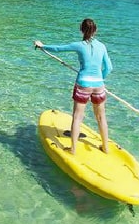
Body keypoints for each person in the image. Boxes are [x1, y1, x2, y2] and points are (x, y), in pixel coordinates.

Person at [35, 18, 112, 154]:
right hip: (99, 85)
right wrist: (100, 78)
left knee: (77, 117)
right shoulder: (102, 46)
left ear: (81, 29)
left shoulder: (79, 45)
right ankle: (105, 147)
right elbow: (109, 68)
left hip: (83, 84)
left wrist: (42, 46)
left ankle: (73, 149)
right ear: (96, 30)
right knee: (101, 117)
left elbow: (58, 49)